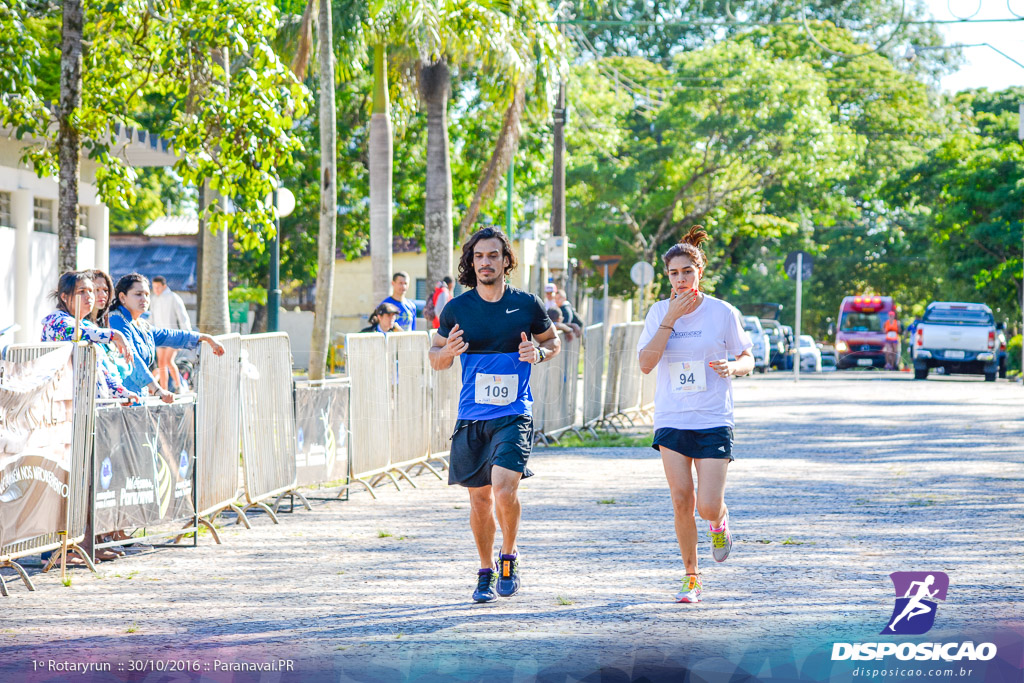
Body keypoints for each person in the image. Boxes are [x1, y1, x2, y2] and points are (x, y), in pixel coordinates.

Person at [430, 227, 560, 603]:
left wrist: (538, 353)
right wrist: (447, 353)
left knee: (504, 489)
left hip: (514, 413)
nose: (485, 262)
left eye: (492, 255)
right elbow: (435, 357)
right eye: (479, 256)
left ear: (506, 261)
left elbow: (551, 342)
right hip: (472, 417)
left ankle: (509, 555)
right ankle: (485, 569)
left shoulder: (528, 304)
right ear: (472, 262)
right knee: (480, 501)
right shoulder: (457, 308)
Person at [637, 225, 754, 604]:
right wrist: (670, 318)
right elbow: (645, 364)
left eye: (687, 271)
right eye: (673, 273)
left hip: (713, 418)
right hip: (672, 417)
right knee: (681, 499)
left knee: (705, 505)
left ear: (699, 271)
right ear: (666, 276)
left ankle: (719, 522)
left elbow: (747, 357)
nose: (681, 278)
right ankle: (691, 577)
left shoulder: (722, 312)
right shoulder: (658, 312)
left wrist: (733, 368)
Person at [108, 273, 225, 402]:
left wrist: (205, 338)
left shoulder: (142, 325)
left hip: (137, 398)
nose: (144, 299)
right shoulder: (116, 320)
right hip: (118, 399)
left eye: (147, 294)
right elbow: (132, 356)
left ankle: (177, 385)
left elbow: (170, 335)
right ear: (122, 297)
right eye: (138, 294)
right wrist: (157, 389)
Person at [40, 271, 137, 402]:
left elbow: (98, 368)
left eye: (91, 291)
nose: (89, 296)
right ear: (64, 296)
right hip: (63, 407)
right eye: (82, 292)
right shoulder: (56, 321)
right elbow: (75, 331)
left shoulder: (86, 327)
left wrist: (122, 393)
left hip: (88, 407)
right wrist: (116, 335)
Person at [150, 276, 193, 392]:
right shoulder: (154, 299)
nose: (156, 290)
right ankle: (164, 390)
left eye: (158, 287)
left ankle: (179, 386)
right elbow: (151, 318)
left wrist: (186, 336)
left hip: (173, 335)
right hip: (160, 336)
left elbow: (183, 317)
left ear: (164, 286)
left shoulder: (174, 297)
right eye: (154, 287)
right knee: (161, 363)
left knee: (169, 360)